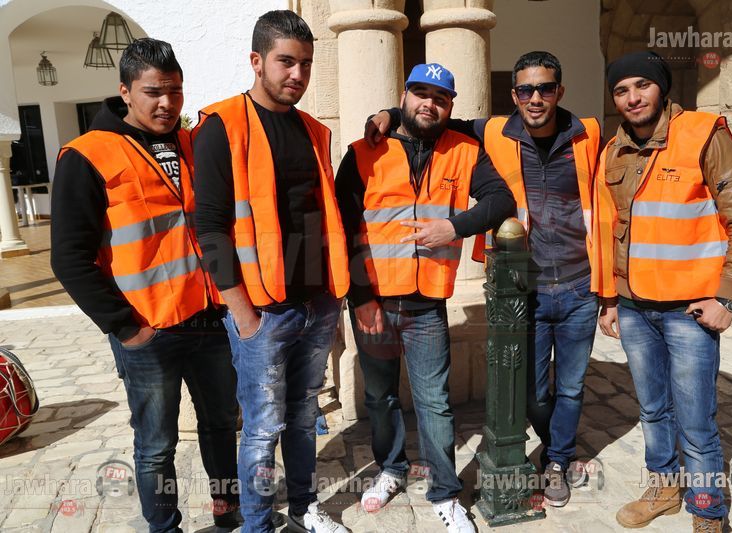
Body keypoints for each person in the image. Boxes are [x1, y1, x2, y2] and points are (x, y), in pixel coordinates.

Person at [366, 51, 610, 507]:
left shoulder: (589, 133)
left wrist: (609, 292)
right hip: (525, 285)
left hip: (580, 282)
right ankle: (549, 443)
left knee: (572, 385)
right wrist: (387, 115)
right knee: (533, 391)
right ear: (513, 94)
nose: (535, 98)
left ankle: (557, 459)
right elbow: (430, 117)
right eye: (526, 90)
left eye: (545, 89)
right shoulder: (493, 131)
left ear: (560, 91)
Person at [50, 38, 240, 533]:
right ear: (125, 91)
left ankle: (227, 506)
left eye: (175, 91)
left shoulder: (192, 143)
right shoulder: (87, 155)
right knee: (156, 444)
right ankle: (164, 525)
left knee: (222, 424)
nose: (166, 103)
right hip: (147, 330)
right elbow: (68, 257)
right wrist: (125, 327)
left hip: (209, 320)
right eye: (153, 92)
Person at [337, 62, 515, 532]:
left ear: (450, 106)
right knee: (380, 398)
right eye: (420, 93)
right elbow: (342, 230)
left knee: (435, 402)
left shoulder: (465, 151)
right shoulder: (363, 151)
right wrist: (360, 298)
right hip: (373, 302)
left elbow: (502, 201)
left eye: (440, 98)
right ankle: (391, 469)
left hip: (426, 304)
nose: (429, 104)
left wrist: (453, 227)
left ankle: (445, 493)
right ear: (404, 96)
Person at [594, 50, 732, 533]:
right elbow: (612, 230)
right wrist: (610, 297)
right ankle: (665, 488)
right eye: (621, 90)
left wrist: (727, 298)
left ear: (661, 88)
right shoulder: (612, 151)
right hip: (634, 307)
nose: (632, 97)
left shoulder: (704, 135)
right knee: (652, 409)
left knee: (695, 419)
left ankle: (708, 510)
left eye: (642, 85)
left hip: (690, 309)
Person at [192, 10, 349, 533]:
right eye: (286, 62)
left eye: (306, 63)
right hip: (262, 311)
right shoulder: (222, 125)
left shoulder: (313, 130)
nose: (297, 74)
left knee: (304, 416)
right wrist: (242, 313)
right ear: (257, 61)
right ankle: (258, 525)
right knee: (262, 429)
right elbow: (210, 227)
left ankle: (304, 507)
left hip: (316, 301)